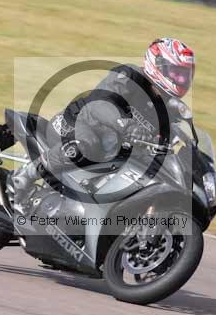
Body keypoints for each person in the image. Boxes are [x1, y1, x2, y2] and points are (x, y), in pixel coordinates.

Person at [11, 38, 195, 197]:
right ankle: (25, 176)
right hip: (77, 124)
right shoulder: (130, 77)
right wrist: (128, 126)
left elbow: (169, 142)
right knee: (85, 145)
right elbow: (101, 103)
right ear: (158, 64)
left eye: (185, 75)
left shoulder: (170, 108)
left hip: (113, 153)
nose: (181, 80)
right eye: (176, 73)